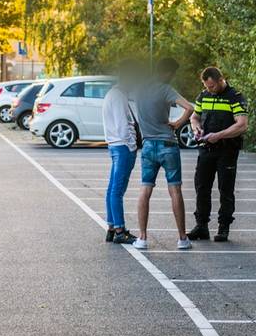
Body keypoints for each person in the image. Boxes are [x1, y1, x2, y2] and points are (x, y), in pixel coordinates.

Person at [132, 58, 197, 251]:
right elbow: (190, 108)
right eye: (172, 74)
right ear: (168, 73)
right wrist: (177, 123)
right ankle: (182, 239)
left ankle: (142, 238)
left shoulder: (140, 89)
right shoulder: (166, 89)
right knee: (175, 190)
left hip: (148, 146)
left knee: (145, 190)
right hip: (168, 145)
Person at [187, 67, 248, 243]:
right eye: (206, 86)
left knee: (225, 189)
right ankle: (201, 225)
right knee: (201, 187)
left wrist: (219, 135)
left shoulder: (235, 97)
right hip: (206, 148)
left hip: (227, 150)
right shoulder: (204, 95)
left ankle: (223, 227)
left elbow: (242, 125)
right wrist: (196, 129)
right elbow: (194, 117)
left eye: (212, 86)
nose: (209, 89)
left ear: (221, 80)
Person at [102, 59, 142, 244]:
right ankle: (120, 231)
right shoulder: (118, 96)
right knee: (117, 190)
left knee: (112, 189)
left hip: (115, 145)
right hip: (122, 147)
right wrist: (132, 146)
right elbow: (122, 126)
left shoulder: (113, 94)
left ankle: (112, 228)